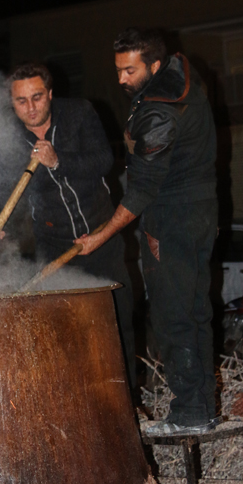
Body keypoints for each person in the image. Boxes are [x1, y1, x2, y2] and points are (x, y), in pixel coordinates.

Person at [75, 28, 218, 435]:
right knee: (194, 311)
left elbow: (139, 194)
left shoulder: (159, 112)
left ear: (154, 66)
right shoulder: (182, 77)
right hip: (200, 209)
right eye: (118, 69)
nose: (121, 79)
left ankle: (191, 413)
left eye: (130, 70)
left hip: (173, 216)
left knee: (174, 314)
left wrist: (99, 237)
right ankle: (201, 409)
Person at [0, 62, 136, 388]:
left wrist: (58, 161)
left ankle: (128, 399)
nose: (31, 108)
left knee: (118, 322)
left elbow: (104, 161)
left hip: (100, 235)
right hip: (54, 245)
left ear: (50, 93)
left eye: (37, 97)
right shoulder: (6, 137)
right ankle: (79, 397)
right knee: (64, 329)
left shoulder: (79, 114)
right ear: (12, 102)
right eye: (21, 101)